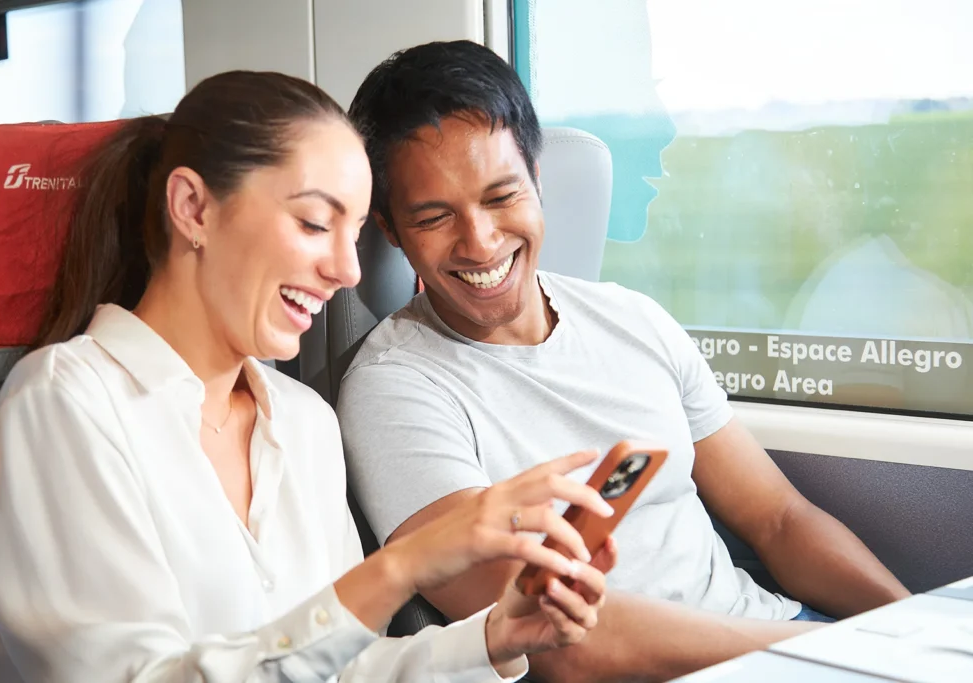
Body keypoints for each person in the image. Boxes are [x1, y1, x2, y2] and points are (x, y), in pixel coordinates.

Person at [0, 70, 619, 683]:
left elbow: (340, 666)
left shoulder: (304, 423)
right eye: (313, 223)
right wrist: (402, 565)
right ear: (193, 207)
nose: (348, 271)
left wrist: (493, 638)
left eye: (353, 232)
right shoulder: (64, 405)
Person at [337, 40, 912, 683]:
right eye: (436, 216)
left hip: (780, 639)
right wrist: (810, 651)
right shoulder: (395, 389)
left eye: (501, 197)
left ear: (537, 181)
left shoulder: (633, 320)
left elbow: (778, 518)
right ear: (389, 229)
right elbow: (554, 640)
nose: (480, 241)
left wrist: (915, 635)